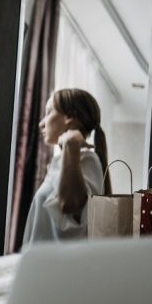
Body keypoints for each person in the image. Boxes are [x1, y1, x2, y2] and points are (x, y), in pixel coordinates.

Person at [22, 88, 109, 246]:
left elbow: (71, 205)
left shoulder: (88, 161)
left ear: (69, 116)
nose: (42, 123)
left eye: (48, 112)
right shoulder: (60, 161)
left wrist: (71, 146)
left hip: (58, 267)